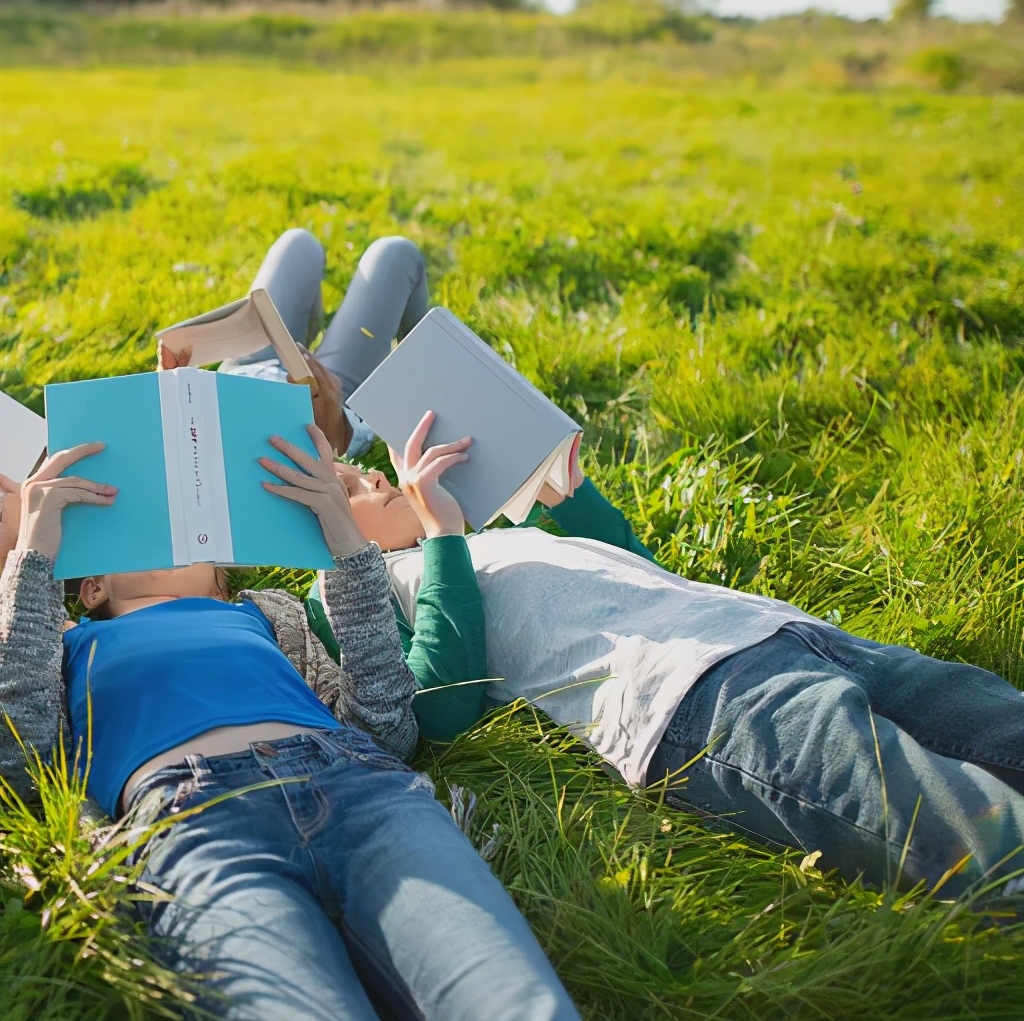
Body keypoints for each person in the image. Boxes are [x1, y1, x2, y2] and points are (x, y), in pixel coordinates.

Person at [0, 422, 580, 1021]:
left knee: (517, 1006)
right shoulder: (66, 643)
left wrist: (345, 546)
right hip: (191, 821)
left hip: (361, 790)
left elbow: (386, 728)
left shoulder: (269, 617)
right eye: (140, 534)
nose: (166, 535)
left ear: (221, 576)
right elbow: (21, 760)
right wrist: (33, 557)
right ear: (93, 585)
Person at [307, 451, 1024, 901]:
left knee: (996, 716)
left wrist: (571, 497)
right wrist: (441, 537)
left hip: (783, 632)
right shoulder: (367, 584)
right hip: (701, 702)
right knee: (959, 818)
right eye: (351, 485)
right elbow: (441, 706)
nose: (375, 473)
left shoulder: (484, 538)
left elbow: (642, 570)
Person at [160, 228, 432, 460]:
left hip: (246, 371)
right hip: (317, 413)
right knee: (394, 253)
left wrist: (171, 391)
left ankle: (301, 337)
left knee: (299, 243)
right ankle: (431, 365)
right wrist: (335, 428)